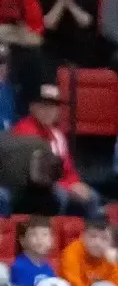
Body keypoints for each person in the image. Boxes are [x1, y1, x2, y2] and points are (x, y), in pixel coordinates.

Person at [11, 82, 97, 213]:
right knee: (60, 196)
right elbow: (35, 175)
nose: (49, 111)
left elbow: (68, 169)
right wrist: (68, 187)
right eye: (43, 106)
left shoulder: (57, 134)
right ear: (32, 107)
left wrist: (75, 183)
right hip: (30, 189)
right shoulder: (24, 131)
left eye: (53, 107)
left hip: (55, 185)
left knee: (92, 196)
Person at [32, 0, 101, 69]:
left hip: (80, 43)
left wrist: (70, 4)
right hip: (51, 45)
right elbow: (47, 25)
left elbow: (86, 22)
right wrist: (60, 2)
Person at [57, 216, 118, 286]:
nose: (97, 243)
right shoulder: (71, 252)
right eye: (93, 236)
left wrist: (114, 263)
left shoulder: (110, 257)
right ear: (83, 237)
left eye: (104, 238)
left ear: (111, 242)